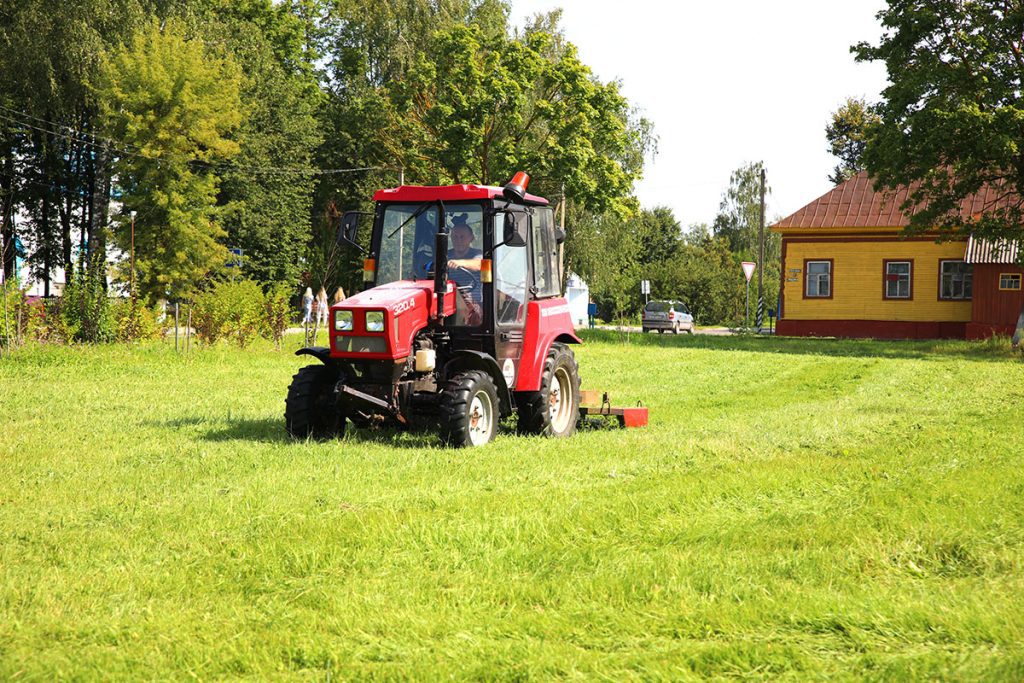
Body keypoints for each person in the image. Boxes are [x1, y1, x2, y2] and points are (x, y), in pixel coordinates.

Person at [446, 214, 483, 325]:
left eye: (462, 237)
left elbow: (479, 264)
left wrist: (459, 262)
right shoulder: (446, 255)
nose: (459, 240)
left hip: (472, 303)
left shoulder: (477, 254)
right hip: (449, 302)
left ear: (471, 238)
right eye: (455, 237)